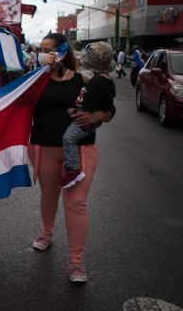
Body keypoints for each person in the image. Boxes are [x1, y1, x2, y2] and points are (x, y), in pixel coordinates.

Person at [29, 33, 114, 284]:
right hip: (43, 146)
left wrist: (97, 116)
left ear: (63, 51)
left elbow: (109, 110)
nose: (43, 54)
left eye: (48, 49)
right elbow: (15, 101)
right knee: (48, 193)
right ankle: (46, 233)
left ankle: (76, 262)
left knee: (76, 202)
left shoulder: (83, 79)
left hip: (79, 150)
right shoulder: (34, 79)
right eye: (40, 49)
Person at [61, 42, 116, 189]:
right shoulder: (104, 79)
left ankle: (72, 169)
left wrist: (75, 111)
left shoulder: (97, 82)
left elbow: (91, 107)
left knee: (68, 138)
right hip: (88, 120)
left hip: (84, 123)